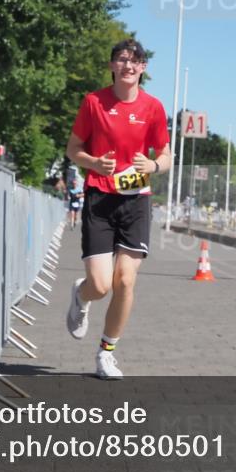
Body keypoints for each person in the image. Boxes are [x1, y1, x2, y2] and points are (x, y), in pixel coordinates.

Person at [64, 38, 172, 379]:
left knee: (125, 280)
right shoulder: (94, 102)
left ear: (143, 68)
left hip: (136, 199)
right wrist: (95, 163)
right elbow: (73, 149)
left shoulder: (153, 107)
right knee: (100, 286)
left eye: (135, 60)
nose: (128, 65)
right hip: (100, 197)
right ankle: (81, 296)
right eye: (122, 59)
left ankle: (106, 354)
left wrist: (153, 166)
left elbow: (166, 156)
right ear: (112, 65)